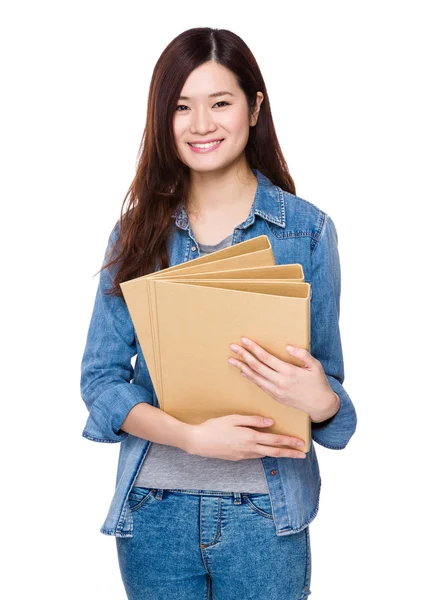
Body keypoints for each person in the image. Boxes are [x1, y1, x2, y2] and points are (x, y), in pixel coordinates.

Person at [80, 27, 357, 600]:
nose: (201, 124)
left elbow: (332, 402)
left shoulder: (307, 233)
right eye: (181, 107)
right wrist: (192, 438)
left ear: (255, 107)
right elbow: (101, 382)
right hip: (155, 513)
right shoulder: (137, 233)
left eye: (220, 102)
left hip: (266, 515)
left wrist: (321, 400)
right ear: (164, 118)